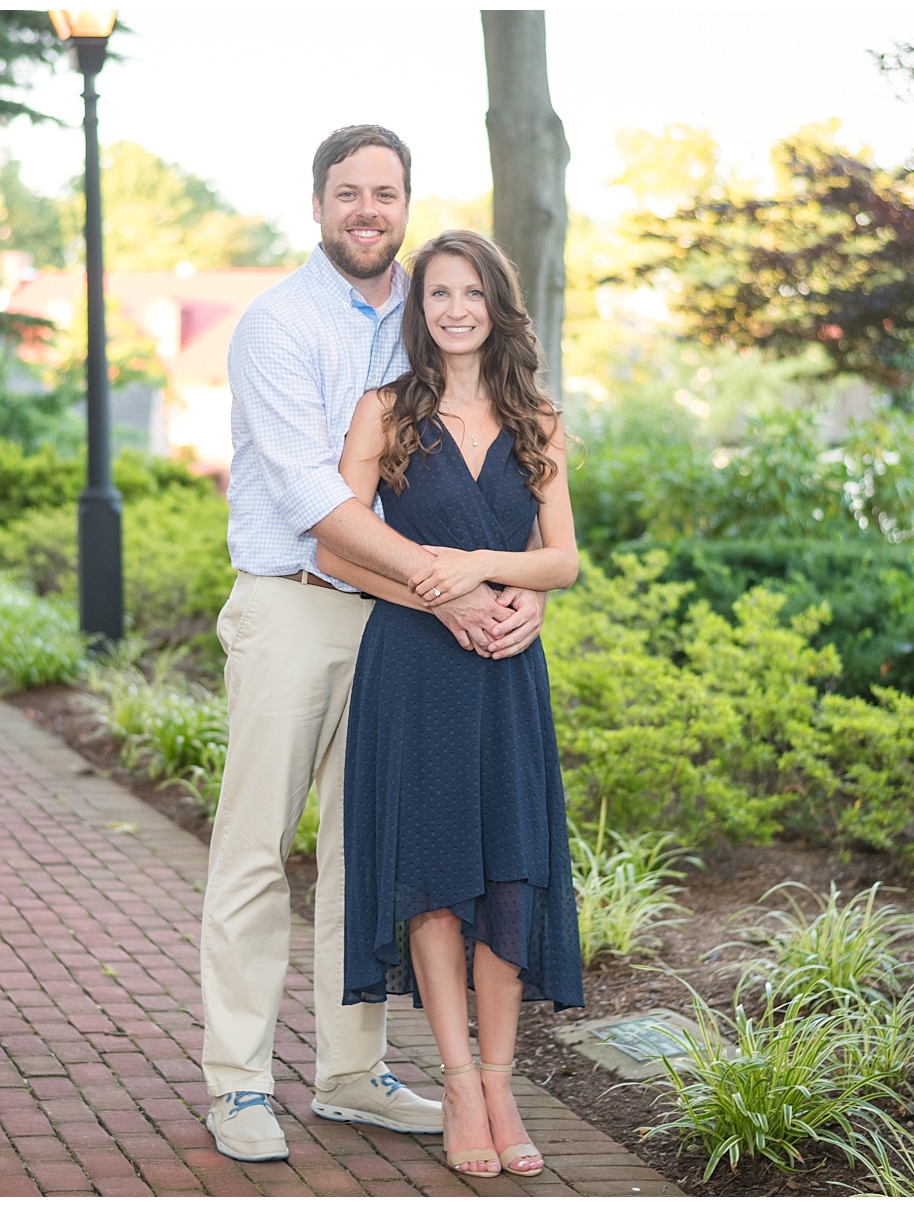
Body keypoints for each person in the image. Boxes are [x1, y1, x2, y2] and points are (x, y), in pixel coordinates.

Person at [201, 128, 550, 1163]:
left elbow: (495, 478)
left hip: (408, 636)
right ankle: (239, 1082)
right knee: (257, 846)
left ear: (406, 203)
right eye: (348, 192)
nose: (368, 209)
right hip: (296, 608)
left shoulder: (433, 311)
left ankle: (353, 1072)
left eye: (385, 192)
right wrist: (444, 589)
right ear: (317, 205)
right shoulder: (278, 326)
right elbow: (317, 500)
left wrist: (514, 593)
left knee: (378, 850)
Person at [316, 229, 584, 1180]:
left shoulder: (536, 420)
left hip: (506, 668)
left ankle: (503, 1079)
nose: (456, 308)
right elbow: (334, 550)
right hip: (415, 669)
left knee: (508, 874)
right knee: (433, 879)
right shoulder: (384, 411)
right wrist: (441, 595)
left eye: (472, 292)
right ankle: (460, 1083)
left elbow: (563, 557)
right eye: (438, 294)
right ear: (417, 310)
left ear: (496, 304)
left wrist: (490, 575)